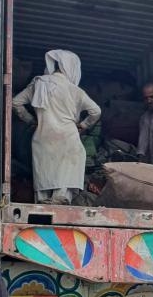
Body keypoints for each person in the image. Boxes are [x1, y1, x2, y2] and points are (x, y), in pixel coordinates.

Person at [12, 50, 102, 205]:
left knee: (45, 171)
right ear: (72, 68)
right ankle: (60, 198)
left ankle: (43, 200)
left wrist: (31, 120)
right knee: (65, 172)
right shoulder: (75, 90)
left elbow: (15, 102)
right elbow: (96, 111)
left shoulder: (38, 84)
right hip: (68, 138)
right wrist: (83, 126)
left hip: (42, 136)